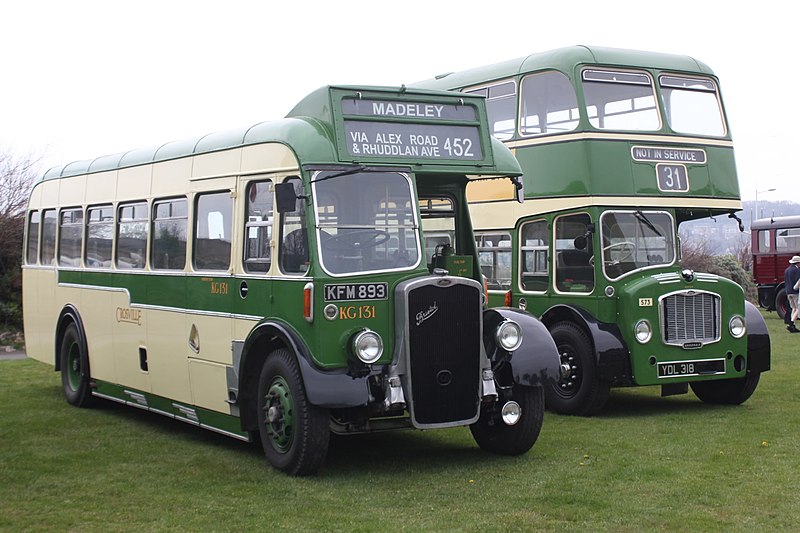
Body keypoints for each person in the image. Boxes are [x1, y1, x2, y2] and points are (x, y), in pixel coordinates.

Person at [784, 255, 800, 332]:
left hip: (788, 291)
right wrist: (796, 288)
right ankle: (792, 323)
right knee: (798, 308)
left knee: (793, 308)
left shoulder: (787, 270)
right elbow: (798, 281)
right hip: (794, 292)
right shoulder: (797, 271)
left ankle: (792, 325)